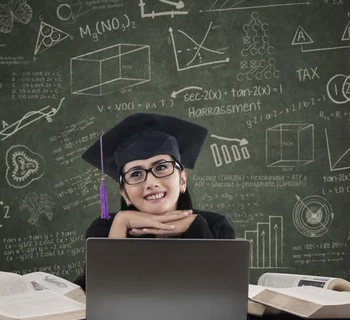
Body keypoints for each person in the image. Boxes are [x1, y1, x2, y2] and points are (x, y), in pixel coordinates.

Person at [74, 113, 235, 290]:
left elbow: (222, 294)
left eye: (161, 167)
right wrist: (121, 223)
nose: (151, 183)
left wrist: (196, 226)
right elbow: (99, 296)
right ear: (125, 193)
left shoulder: (216, 226)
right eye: (135, 174)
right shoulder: (103, 230)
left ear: (182, 180)